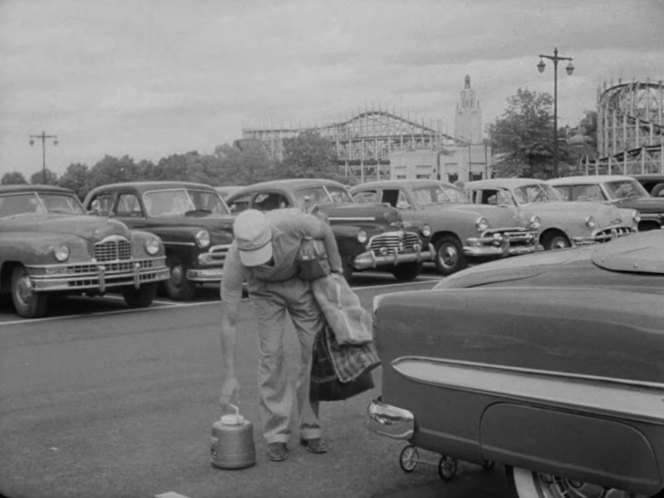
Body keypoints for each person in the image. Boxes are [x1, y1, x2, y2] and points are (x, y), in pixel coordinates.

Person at [219, 208, 343, 462]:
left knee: (312, 351)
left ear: (272, 234)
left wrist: (337, 274)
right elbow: (229, 320)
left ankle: (311, 428)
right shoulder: (234, 258)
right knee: (271, 354)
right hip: (264, 292)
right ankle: (276, 434)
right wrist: (230, 375)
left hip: (300, 282)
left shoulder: (292, 223)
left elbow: (326, 230)